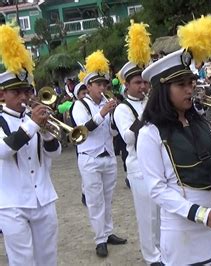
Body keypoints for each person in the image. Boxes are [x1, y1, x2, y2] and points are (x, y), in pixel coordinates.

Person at [137, 15, 211, 265]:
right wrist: (201, 214)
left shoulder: (203, 120)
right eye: (181, 85)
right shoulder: (149, 133)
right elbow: (156, 188)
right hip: (183, 230)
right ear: (163, 90)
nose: (189, 89)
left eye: (191, 82)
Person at [0, 23, 61, 265]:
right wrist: (34, 125)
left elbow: (55, 154)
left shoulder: (32, 120)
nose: (24, 97)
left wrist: (47, 134)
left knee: (48, 258)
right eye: (17, 92)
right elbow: (5, 150)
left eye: (26, 91)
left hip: (43, 198)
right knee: (23, 261)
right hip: (12, 203)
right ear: (2, 94)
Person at [113, 21, 162, 266]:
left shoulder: (147, 102)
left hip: (158, 164)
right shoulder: (122, 108)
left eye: (144, 82)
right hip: (137, 167)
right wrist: (147, 113)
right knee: (147, 216)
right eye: (137, 83)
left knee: (162, 213)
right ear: (127, 85)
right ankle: (151, 256)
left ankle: (162, 251)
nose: (142, 86)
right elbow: (128, 137)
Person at [71, 50, 127, 258]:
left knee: (108, 198)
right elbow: (84, 129)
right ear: (88, 87)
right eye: (98, 85)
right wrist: (103, 113)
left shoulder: (106, 104)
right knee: (95, 200)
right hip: (90, 158)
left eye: (104, 84)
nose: (103, 88)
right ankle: (100, 239)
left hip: (108, 156)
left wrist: (114, 116)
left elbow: (112, 132)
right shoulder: (80, 105)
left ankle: (108, 231)